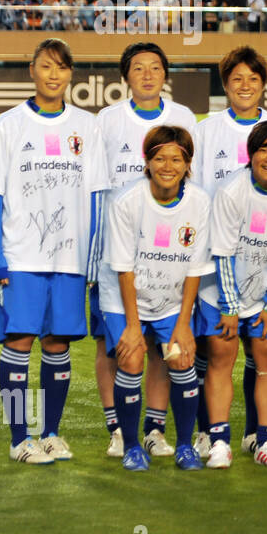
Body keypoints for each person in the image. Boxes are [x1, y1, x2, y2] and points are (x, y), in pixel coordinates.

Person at [0, 38, 108, 463]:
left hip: (69, 259)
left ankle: (50, 432)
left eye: (62, 67)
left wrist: (92, 257)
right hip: (20, 258)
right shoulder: (7, 126)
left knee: (58, 344)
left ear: (70, 74)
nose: (54, 75)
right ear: (32, 71)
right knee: (19, 342)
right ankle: (20, 439)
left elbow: (97, 195)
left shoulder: (87, 127)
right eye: (46, 66)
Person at [93, 42, 198, 460]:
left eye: (156, 67)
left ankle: (154, 428)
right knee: (114, 346)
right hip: (116, 253)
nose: (148, 75)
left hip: (169, 255)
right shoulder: (107, 120)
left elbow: (195, 184)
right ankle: (118, 429)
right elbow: (95, 183)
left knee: (162, 348)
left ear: (165, 74)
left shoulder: (183, 118)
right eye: (139, 68)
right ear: (126, 76)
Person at [197, 121, 267, 469]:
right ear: (251, 153)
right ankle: (218, 442)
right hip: (222, 290)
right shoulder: (231, 191)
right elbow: (223, 252)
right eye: (263, 149)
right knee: (221, 356)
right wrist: (230, 307)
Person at [99, 125, 213, 471]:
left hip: (173, 299)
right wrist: (133, 326)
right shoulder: (125, 202)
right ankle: (132, 446)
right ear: (146, 162)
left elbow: (195, 268)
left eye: (176, 159)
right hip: (123, 297)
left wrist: (183, 324)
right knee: (132, 358)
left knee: (180, 360)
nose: (167, 166)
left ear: (187, 164)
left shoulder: (200, 202)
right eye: (159, 157)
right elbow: (124, 268)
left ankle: (183, 446)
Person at [190, 46, 267, 458]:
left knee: (260, 347)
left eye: (253, 79)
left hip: (264, 259)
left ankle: (253, 431)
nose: (245, 86)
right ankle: (208, 431)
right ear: (225, 84)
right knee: (214, 346)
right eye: (237, 79)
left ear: (263, 84)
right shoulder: (206, 130)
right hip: (215, 258)